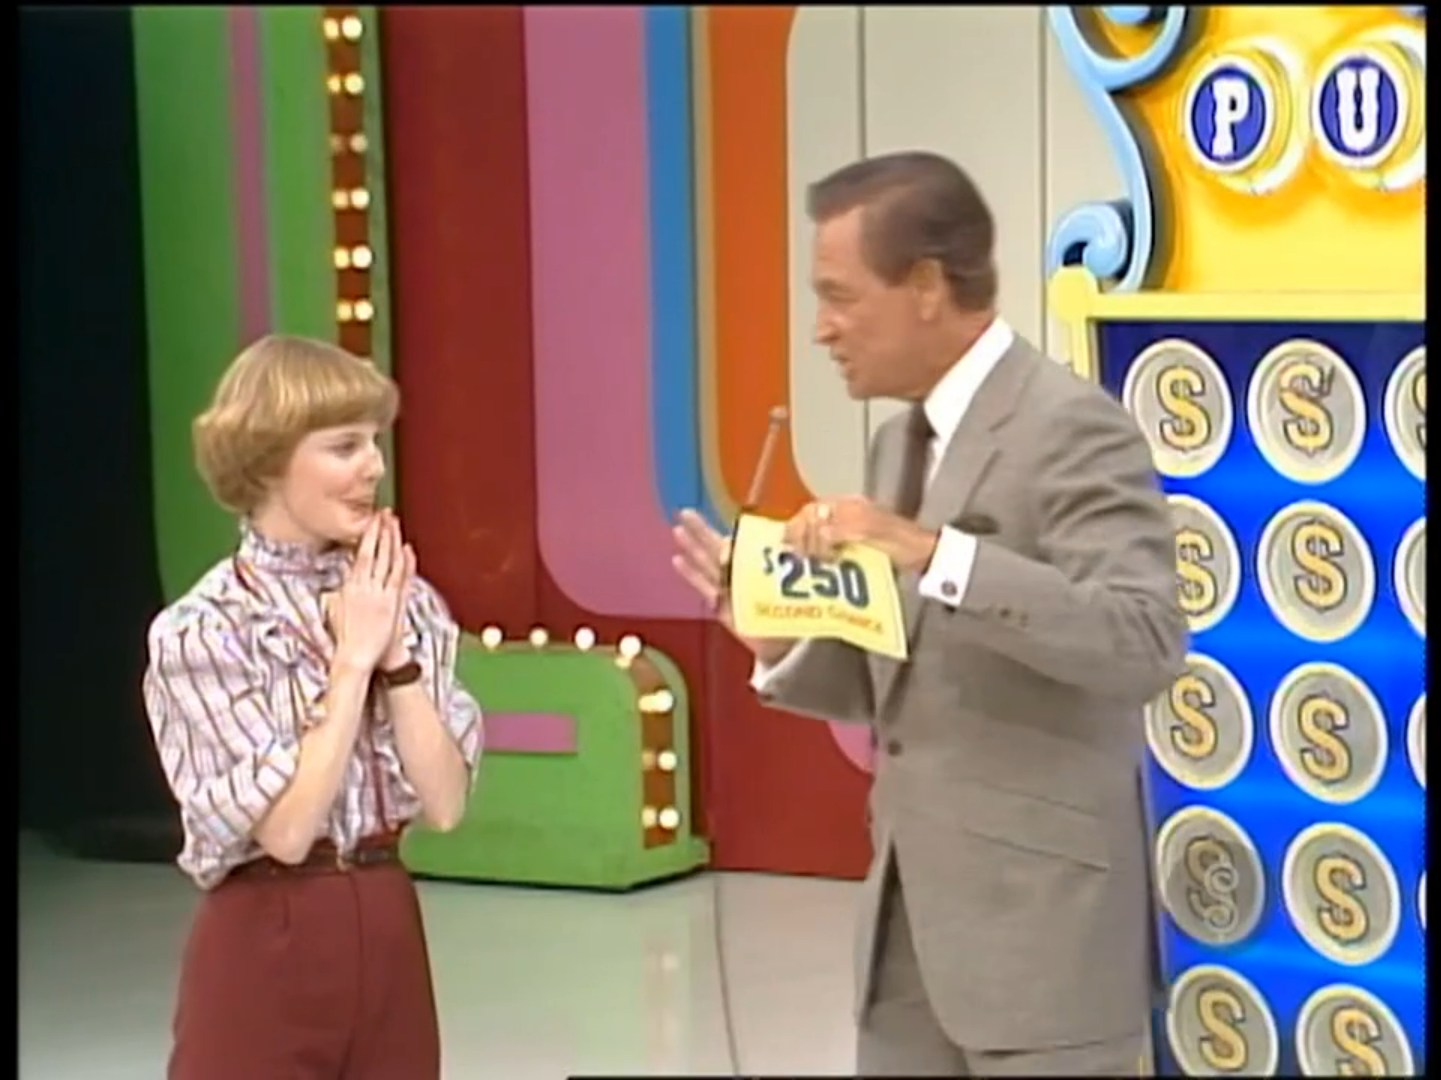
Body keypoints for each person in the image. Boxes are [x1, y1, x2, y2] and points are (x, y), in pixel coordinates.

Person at [671, 151, 1186, 1076]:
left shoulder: (1072, 426)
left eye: (839, 296)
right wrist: (776, 636)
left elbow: (1140, 641)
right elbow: (911, 680)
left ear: (923, 286)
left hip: (1042, 948)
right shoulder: (894, 444)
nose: (821, 329)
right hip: (906, 941)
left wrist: (933, 552)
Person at [141, 334, 484, 1079]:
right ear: (268, 460)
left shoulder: (404, 601)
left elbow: (447, 803)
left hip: (387, 924)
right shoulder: (207, 629)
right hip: (265, 935)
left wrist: (396, 660)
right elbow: (288, 832)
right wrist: (351, 663)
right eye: (344, 446)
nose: (374, 467)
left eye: (374, 442)